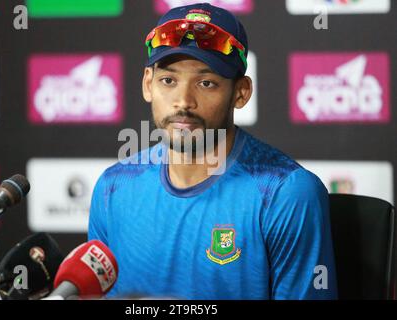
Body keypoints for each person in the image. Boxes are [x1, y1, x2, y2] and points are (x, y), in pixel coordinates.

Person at [88, 2, 337, 300]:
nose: (183, 101)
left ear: (241, 92)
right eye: (168, 80)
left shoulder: (286, 192)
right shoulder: (113, 187)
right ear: (147, 84)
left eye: (206, 83)